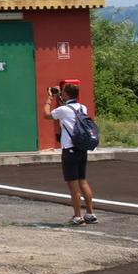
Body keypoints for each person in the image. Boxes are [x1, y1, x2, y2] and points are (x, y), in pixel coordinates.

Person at [45, 82, 97, 226]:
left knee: (73, 186)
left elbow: (46, 114)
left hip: (70, 150)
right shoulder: (82, 107)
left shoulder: (63, 110)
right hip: (82, 148)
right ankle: (90, 214)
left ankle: (77, 216)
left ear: (66, 94)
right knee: (83, 181)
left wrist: (49, 98)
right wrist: (60, 98)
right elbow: (69, 111)